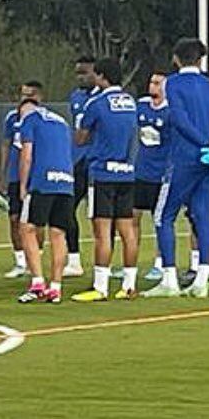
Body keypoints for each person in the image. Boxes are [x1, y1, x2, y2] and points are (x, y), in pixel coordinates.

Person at [144, 39, 209, 299]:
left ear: (176, 58)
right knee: (203, 217)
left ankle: (169, 278)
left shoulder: (172, 83)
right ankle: (202, 280)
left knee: (163, 215)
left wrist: (202, 143)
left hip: (185, 157)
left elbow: (180, 119)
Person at [73, 58, 139, 302]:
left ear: (101, 77)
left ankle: (100, 286)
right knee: (127, 231)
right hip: (127, 171)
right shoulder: (130, 102)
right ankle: (129, 285)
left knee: (102, 232)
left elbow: (80, 139)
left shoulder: (96, 103)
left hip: (102, 173)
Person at [15, 95, 74, 303]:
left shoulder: (29, 119)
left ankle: (38, 282)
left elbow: (27, 155)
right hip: (65, 181)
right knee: (58, 233)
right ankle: (56, 287)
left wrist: (23, 185)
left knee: (27, 228)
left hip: (43, 181)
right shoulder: (61, 122)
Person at [0, 82, 42, 278]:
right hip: (16, 176)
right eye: (22, 94)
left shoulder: (43, 118)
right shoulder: (12, 117)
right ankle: (20, 261)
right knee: (14, 218)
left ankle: (36, 258)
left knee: (36, 221)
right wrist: (2, 173)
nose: (24, 98)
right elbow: (6, 145)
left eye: (29, 94)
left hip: (36, 176)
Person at [134, 70, 171, 283]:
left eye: (157, 82)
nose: (153, 86)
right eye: (151, 81)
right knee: (132, 218)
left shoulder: (171, 111)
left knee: (159, 220)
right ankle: (132, 261)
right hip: (141, 172)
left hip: (161, 175)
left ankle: (159, 263)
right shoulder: (142, 106)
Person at [65, 56, 98, 277]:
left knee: (99, 216)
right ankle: (74, 260)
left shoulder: (102, 98)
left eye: (84, 73)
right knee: (67, 209)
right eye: (77, 73)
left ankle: (103, 265)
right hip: (76, 161)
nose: (80, 77)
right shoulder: (76, 97)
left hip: (95, 161)